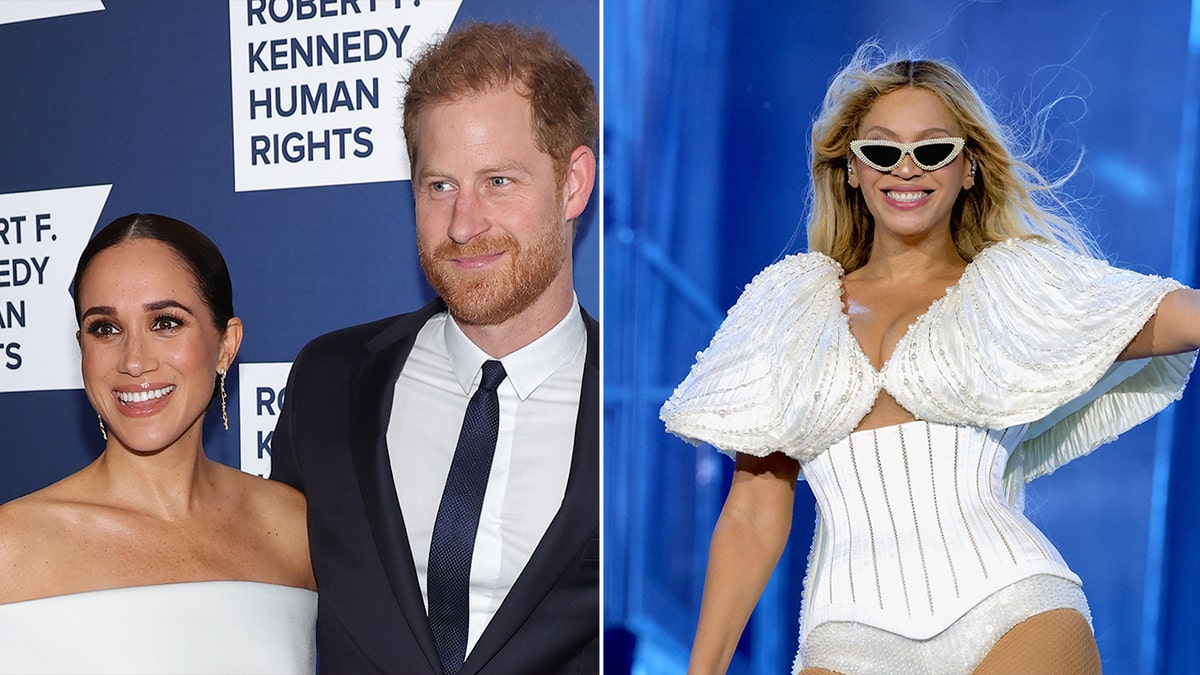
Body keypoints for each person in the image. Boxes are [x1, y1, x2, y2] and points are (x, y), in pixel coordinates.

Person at [661, 45, 1200, 675]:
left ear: (968, 167)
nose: (907, 168)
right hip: (847, 634)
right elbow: (753, 511)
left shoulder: (1014, 289)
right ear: (853, 170)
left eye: (934, 149)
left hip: (1014, 602)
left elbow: (1177, 316)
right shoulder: (790, 308)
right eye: (883, 151)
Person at [269, 22, 599, 675]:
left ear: (573, 183)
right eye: (438, 186)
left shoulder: (649, 411)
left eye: (498, 182)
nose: (463, 224)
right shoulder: (329, 383)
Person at [0, 213, 317, 674]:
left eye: (165, 323)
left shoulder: (295, 530)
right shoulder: (11, 548)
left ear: (226, 345)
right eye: (105, 328)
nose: (133, 361)